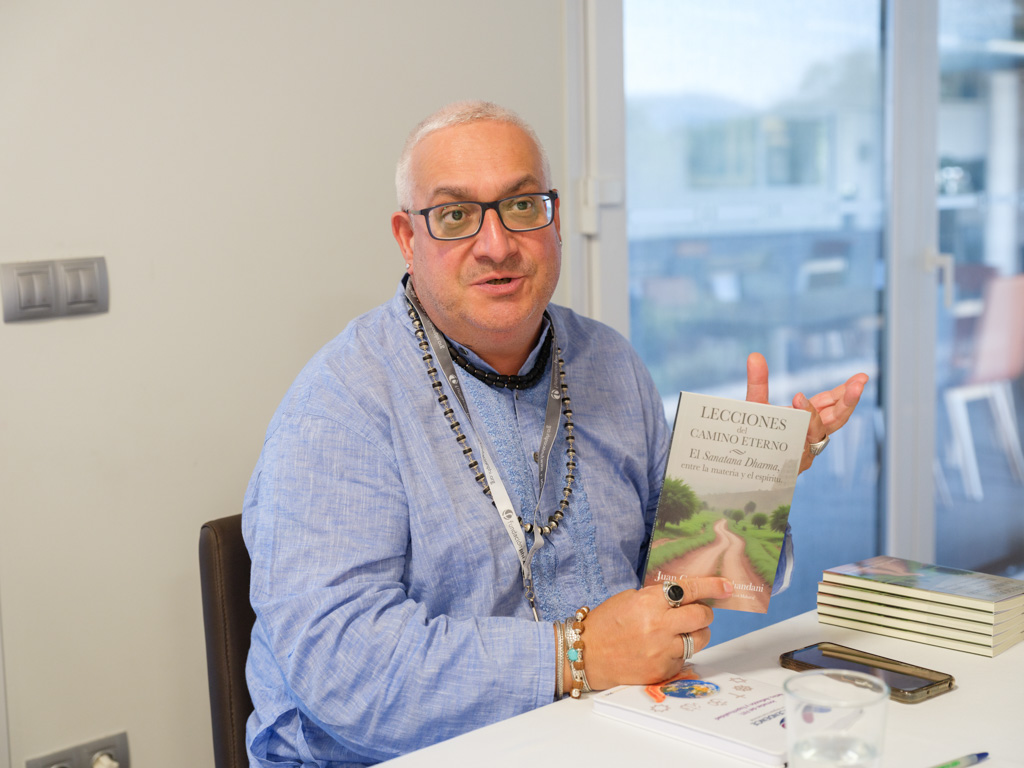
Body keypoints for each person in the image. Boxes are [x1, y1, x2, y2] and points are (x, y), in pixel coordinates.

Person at [242, 100, 868, 767]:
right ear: (407, 237)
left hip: (605, 733)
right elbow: (343, 671)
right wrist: (577, 655)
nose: (496, 244)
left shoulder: (609, 362)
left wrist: (748, 481)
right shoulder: (339, 404)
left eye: (521, 206)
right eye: (455, 215)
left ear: (555, 220)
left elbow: (676, 582)